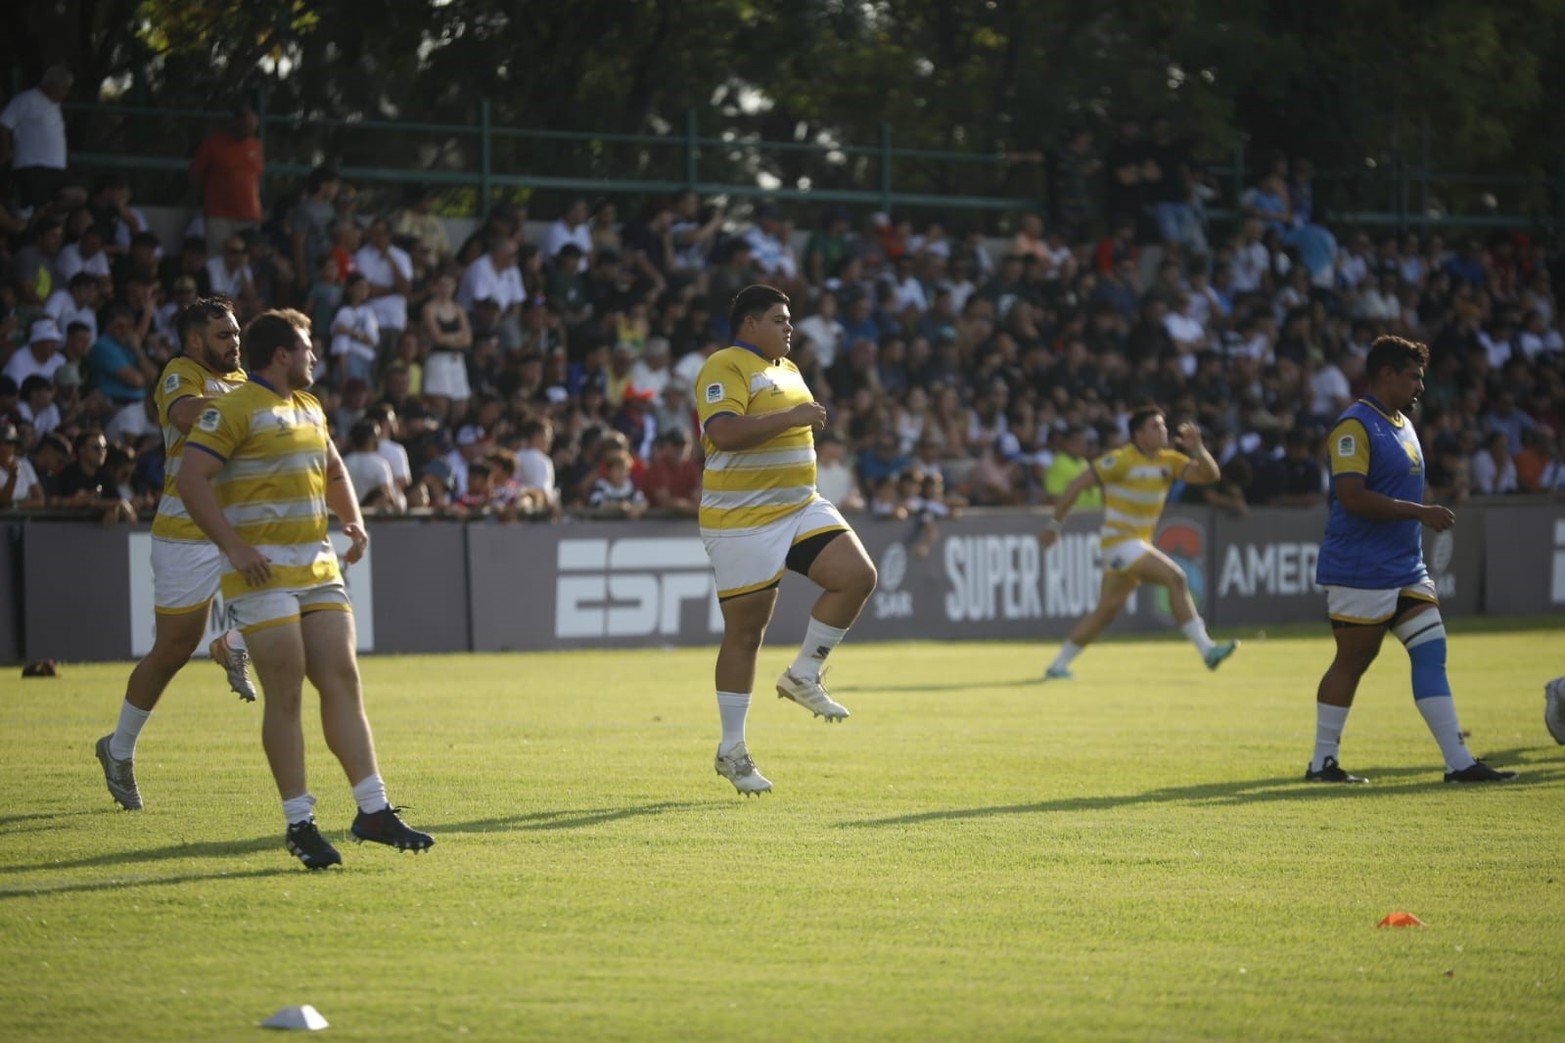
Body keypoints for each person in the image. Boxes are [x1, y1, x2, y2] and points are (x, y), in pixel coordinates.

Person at [176, 308, 434, 868]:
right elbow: (190, 478)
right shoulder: (235, 407)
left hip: (318, 568)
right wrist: (235, 548)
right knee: (286, 691)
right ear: (283, 355)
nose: (315, 358)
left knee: (343, 680)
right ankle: (299, 822)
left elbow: (334, 469)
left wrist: (354, 520)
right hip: (261, 572)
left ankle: (373, 810)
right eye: (307, 349)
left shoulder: (309, 407)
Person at [1306, 336, 1515, 784]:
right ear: (1386, 375)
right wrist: (1421, 513)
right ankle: (1322, 761)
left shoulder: (1401, 422)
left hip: (1405, 566)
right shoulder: (1354, 427)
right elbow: (1352, 496)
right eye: (1414, 376)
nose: (1421, 386)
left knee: (1432, 651)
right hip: (1360, 568)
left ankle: (1458, 762)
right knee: (1352, 662)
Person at [695, 284, 878, 794]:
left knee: (857, 576)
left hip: (799, 505)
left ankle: (803, 675)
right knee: (746, 633)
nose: (789, 327)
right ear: (749, 323)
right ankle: (732, 750)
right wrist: (794, 419)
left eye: (789, 319)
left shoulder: (788, 369)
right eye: (778, 319)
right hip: (742, 519)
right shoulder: (725, 365)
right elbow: (724, 433)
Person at [94, 297, 258, 812]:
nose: (234, 343)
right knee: (171, 651)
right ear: (194, 342)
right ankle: (117, 750)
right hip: (185, 531)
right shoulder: (179, 374)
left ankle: (231, 641)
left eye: (236, 334)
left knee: (299, 592)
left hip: (237, 526)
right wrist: (254, 409)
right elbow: (188, 417)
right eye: (223, 336)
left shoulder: (242, 380)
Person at [1038, 406, 1237, 678]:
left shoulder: (1169, 461)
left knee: (1105, 612)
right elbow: (1077, 485)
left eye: (1164, 425)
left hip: (1137, 544)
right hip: (1119, 543)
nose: (1164, 430)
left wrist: (1198, 449)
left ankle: (1057, 665)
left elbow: (1210, 475)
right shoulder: (1120, 461)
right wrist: (1054, 526)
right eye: (1156, 426)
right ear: (1139, 435)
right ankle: (1206, 649)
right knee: (1176, 577)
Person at [190, 103, 265, 252]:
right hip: (220, 215)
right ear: (236, 122)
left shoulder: (256, 145)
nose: (250, 131)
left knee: (247, 261)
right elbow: (196, 174)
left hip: (249, 215)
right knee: (218, 256)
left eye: (253, 127)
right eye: (247, 126)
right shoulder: (213, 144)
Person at [0, 65, 72, 209]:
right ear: (51, 85)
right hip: (33, 165)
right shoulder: (26, 100)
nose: (66, 92)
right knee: (37, 206)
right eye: (64, 87)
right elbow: (4, 125)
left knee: (70, 198)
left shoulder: (55, 106)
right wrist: (5, 152)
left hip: (56, 167)